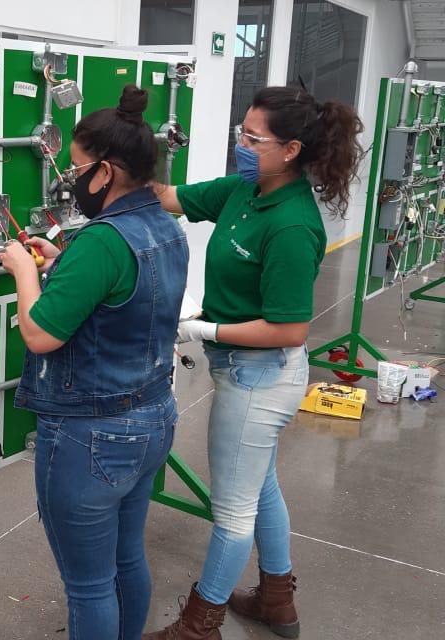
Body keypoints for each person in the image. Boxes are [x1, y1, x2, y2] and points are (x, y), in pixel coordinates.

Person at [142, 86, 364, 640]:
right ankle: (275, 602)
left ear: (290, 150)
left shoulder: (291, 223)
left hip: (260, 377)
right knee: (258, 488)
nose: (240, 145)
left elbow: (290, 328)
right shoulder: (247, 190)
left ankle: (201, 624)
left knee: (233, 512)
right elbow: (169, 196)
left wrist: (204, 327)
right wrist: (116, 166)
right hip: (239, 368)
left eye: (251, 137)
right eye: (240, 132)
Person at [0, 85, 188, 640]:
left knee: (88, 586)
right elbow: (121, 296)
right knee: (127, 559)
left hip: (92, 438)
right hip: (152, 418)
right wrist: (63, 263)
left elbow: (39, 335)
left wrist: (24, 271)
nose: (69, 180)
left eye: (75, 169)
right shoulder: (163, 227)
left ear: (104, 172)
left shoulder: (103, 241)